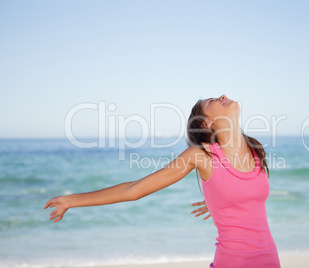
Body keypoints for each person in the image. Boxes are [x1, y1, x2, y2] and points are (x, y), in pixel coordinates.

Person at [44, 94, 281, 268]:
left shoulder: (255, 150)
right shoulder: (201, 156)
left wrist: (220, 202)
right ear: (206, 123)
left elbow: (245, 195)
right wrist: (71, 200)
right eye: (212, 101)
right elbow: (133, 189)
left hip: (271, 260)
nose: (223, 96)